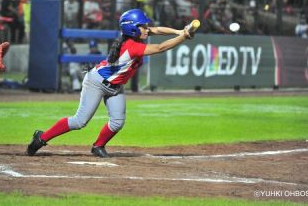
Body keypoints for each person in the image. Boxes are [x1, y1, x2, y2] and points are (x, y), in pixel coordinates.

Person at [27, 9, 196, 158]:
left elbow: (157, 29)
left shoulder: (136, 35)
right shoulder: (132, 46)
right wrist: (182, 37)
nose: (147, 29)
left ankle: (98, 146)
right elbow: (160, 48)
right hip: (97, 82)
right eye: (143, 26)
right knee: (79, 121)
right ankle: (41, 138)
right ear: (132, 28)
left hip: (115, 87)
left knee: (117, 122)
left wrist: (180, 30)